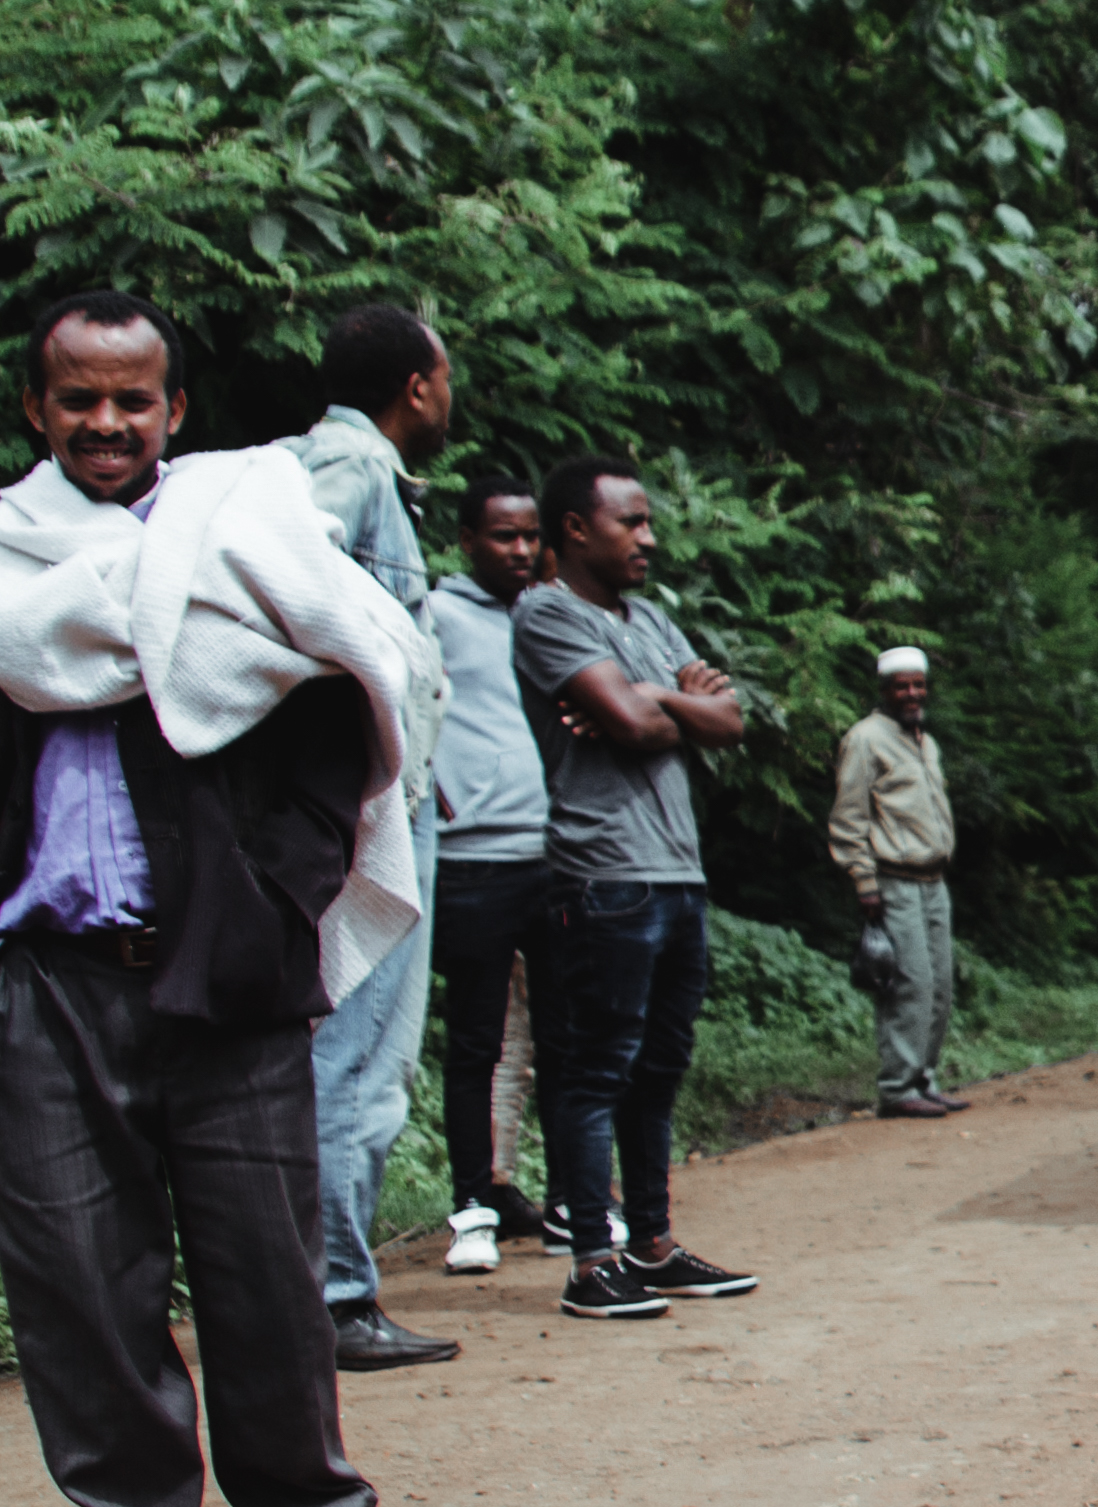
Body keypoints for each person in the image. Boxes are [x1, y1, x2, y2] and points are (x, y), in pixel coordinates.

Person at [0, 290, 417, 1507]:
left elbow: (350, 701)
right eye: (79, 397)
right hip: (45, 974)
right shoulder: (9, 562)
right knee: (73, 1270)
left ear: (175, 409)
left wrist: (284, 898)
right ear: (36, 408)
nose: (106, 420)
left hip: (228, 968)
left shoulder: (243, 542)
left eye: (133, 398)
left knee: (265, 1266)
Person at [515, 456, 758, 1323]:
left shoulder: (649, 617)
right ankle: (592, 1259)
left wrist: (652, 694)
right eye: (632, 521)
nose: (649, 537)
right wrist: (661, 705)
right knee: (597, 1069)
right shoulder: (546, 612)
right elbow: (628, 724)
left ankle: (652, 1245)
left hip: (677, 872)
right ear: (577, 529)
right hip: (605, 872)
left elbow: (727, 720)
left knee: (658, 1068)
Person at [289, 303, 461, 1369]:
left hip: (391, 797)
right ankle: (335, 1299)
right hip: (367, 813)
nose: (450, 398)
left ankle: (326, 1290)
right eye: (446, 379)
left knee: (357, 1056)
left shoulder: (367, 475)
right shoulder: (348, 469)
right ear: (416, 387)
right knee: (359, 1058)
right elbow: (288, 581)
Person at [429, 475, 558, 1271]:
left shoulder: (549, 615)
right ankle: (473, 1203)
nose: (519, 549)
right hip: (472, 857)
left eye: (530, 535)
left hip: (555, 851)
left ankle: (570, 1198)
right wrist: (438, 793)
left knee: (564, 1033)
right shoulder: (435, 614)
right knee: (475, 1037)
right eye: (503, 535)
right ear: (468, 540)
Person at [830, 643, 962, 1120]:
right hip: (893, 880)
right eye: (901, 686)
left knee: (940, 986)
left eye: (918, 685)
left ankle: (924, 1079)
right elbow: (849, 817)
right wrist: (863, 881)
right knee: (909, 986)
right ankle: (897, 1087)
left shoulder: (926, 741)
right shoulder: (865, 739)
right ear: (884, 689)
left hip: (934, 880)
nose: (911, 693)